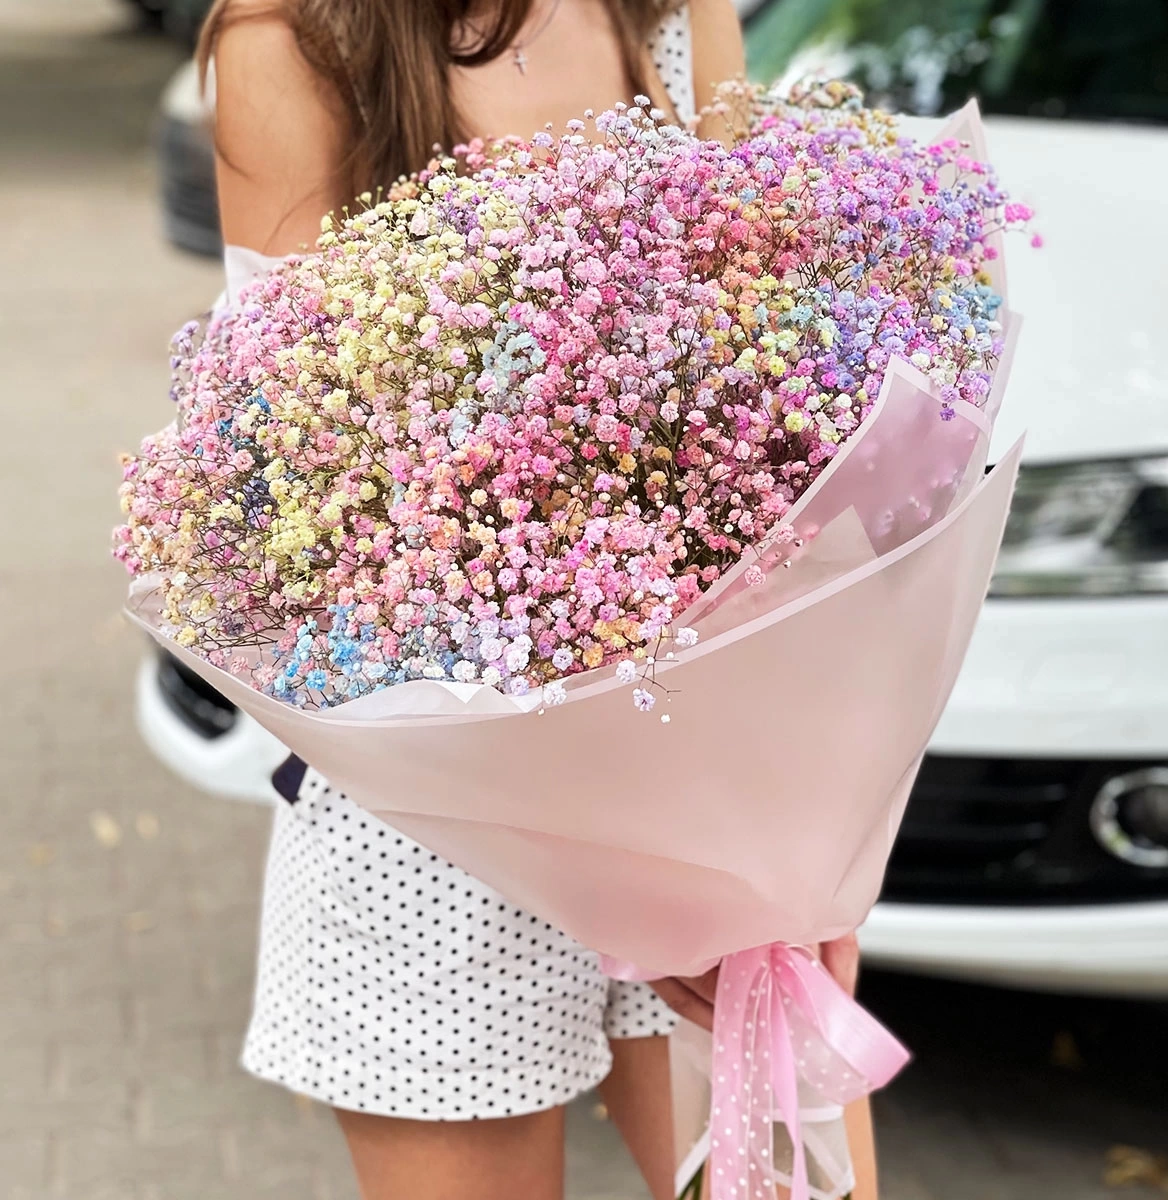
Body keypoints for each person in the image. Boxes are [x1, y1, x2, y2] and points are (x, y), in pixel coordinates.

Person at [200, 2, 875, 1197]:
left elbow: (780, 356)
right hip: (433, 802)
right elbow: (290, 463)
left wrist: (797, 842)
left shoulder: (669, 9)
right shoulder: (295, 39)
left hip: (694, 782)